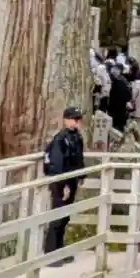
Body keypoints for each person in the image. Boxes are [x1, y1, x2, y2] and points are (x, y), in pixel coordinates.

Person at [42, 105, 85, 256]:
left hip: (71, 179)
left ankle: (59, 250)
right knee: (58, 216)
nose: (77, 122)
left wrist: (81, 176)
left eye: (78, 119)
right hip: (61, 181)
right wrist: (64, 183)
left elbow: (78, 158)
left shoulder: (77, 137)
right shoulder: (61, 139)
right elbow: (58, 164)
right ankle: (51, 252)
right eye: (74, 119)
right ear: (66, 120)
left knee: (65, 216)